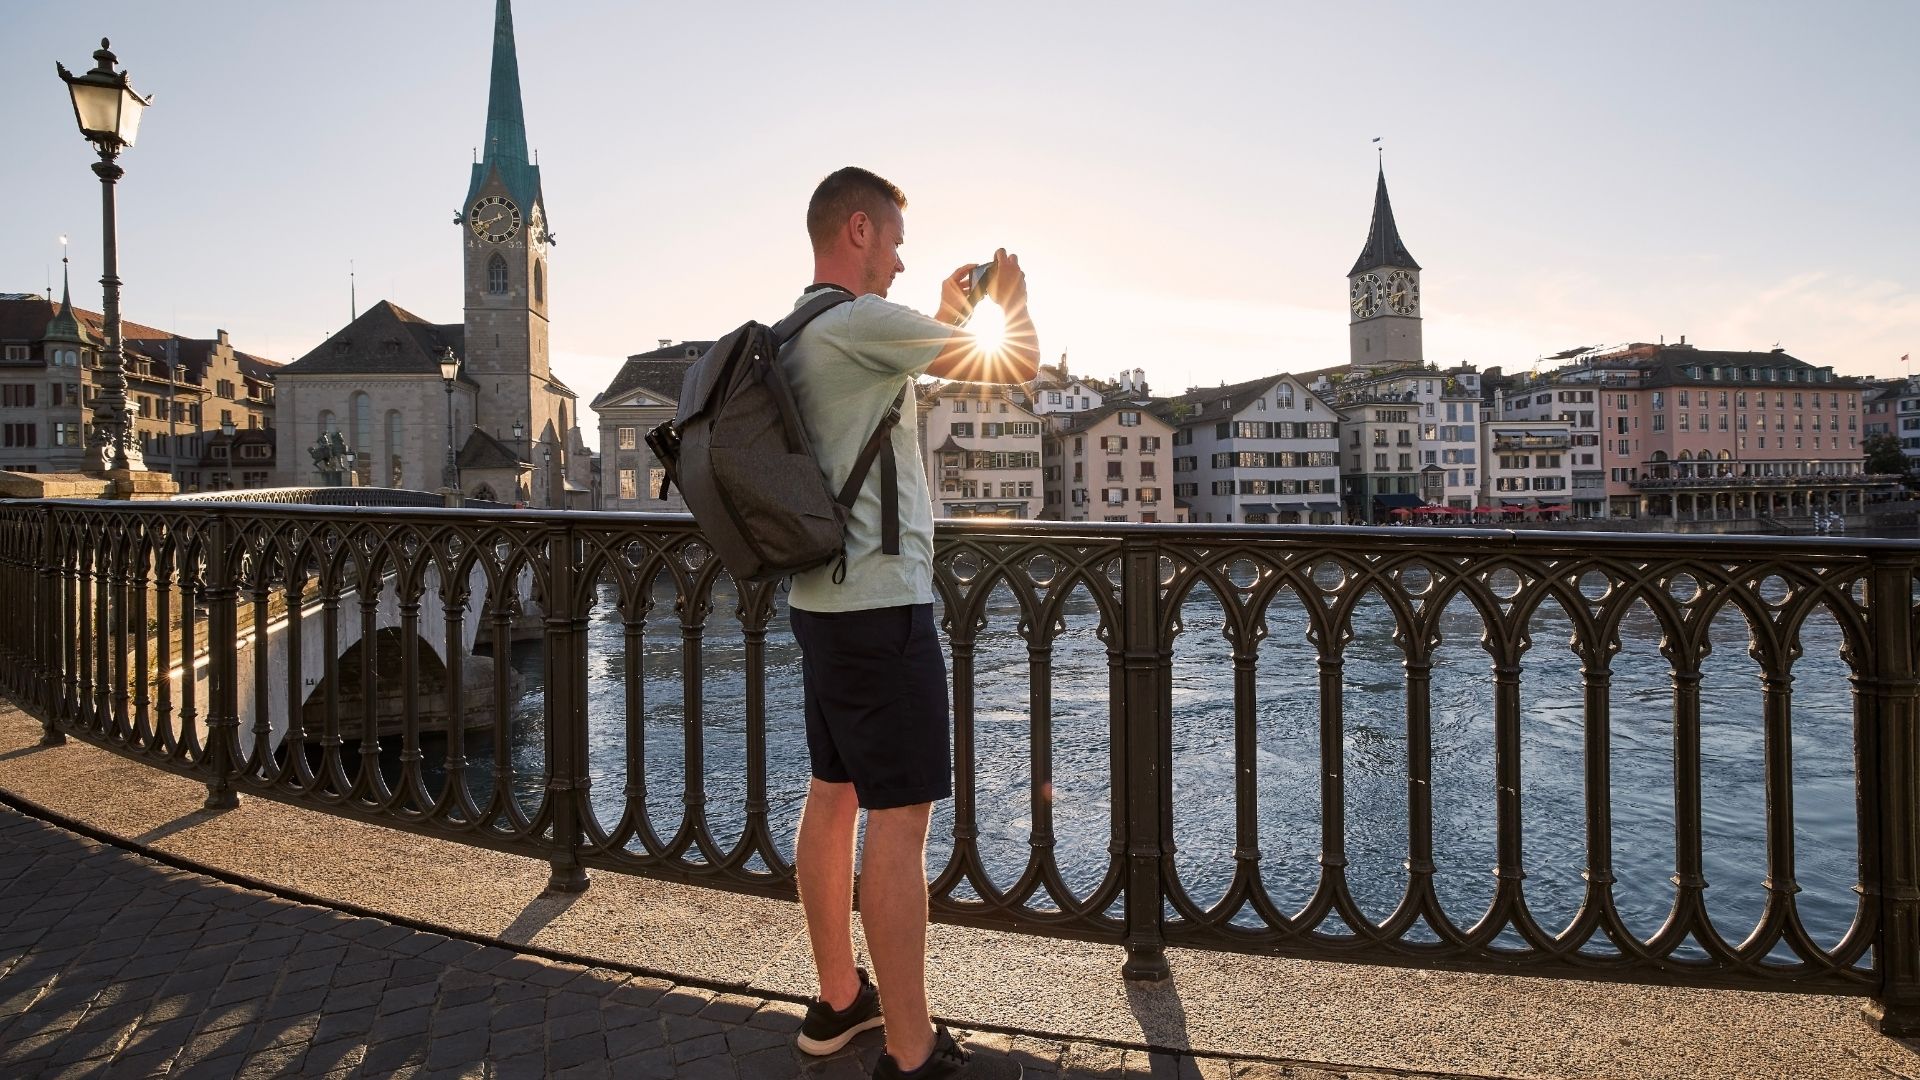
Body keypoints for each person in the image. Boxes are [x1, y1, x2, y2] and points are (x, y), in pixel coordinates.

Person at [780, 166, 1038, 1079]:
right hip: (882, 610)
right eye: (891, 240)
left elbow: (918, 350)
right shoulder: (859, 323)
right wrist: (1006, 295)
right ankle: (912, 1051)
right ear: (857, 229)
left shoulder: (802, 329)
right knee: (899, 824)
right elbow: (1015, 363)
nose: (897, 258)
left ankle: (839, 1002)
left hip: (818, 603)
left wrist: (940, 306)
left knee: (833, 798)